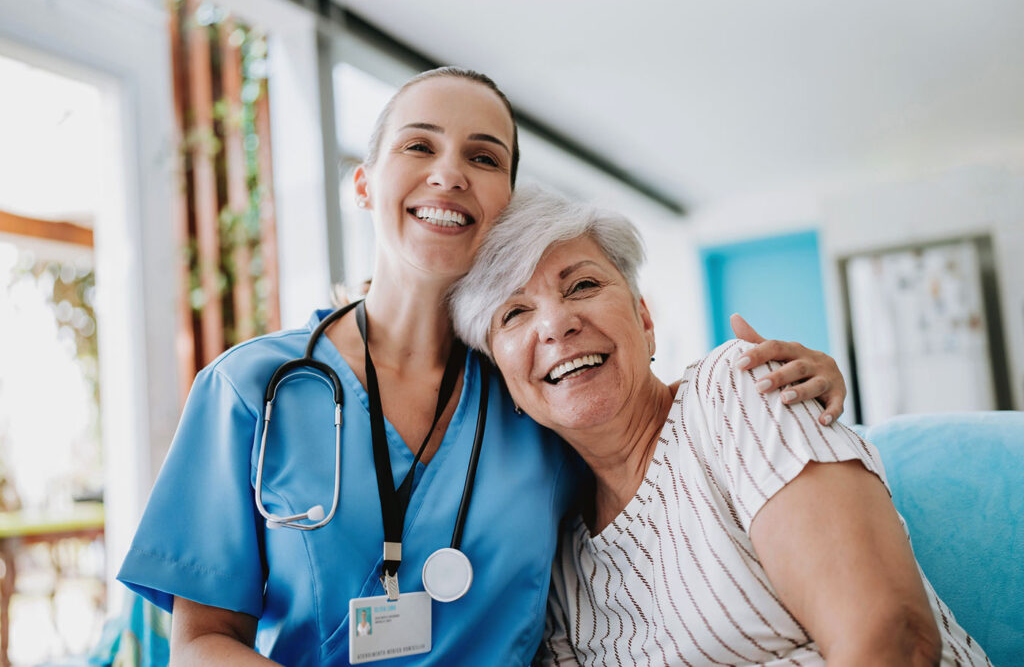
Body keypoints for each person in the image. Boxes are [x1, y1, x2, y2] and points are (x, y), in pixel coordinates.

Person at [118, 67, 849, 666]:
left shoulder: (533, 389)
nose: (449, 174)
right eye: (418, 147)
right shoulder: (252, 389)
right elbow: (203, 640)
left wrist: (771, 385)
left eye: (483, 156)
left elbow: (655, 434)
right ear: (366, 184)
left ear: (504, 204)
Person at [449, 186, 991, 667]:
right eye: (514, 313)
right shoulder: (558, 561)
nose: (556, 323)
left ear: (644, 321)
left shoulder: (734, 390)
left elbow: (894, 640)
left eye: (583, 285)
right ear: (502, 376)